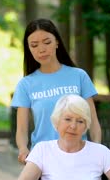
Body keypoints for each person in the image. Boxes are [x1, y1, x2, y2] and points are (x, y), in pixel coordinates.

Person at [11, 18, 102, 164]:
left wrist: (97, 148)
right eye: (34, 45)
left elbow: (93, 120)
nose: (41, 49)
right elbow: (21, 129)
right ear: (29, 49)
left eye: (47, 42)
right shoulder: (25, 84)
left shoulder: (79, 76)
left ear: (57, 42)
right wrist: (23, 149)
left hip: (78, 156)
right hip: (42, 159)